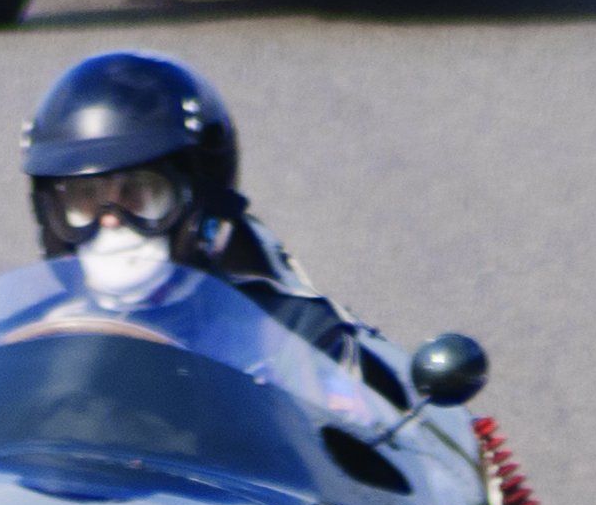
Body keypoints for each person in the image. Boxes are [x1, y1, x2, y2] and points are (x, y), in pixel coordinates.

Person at [22, 49, 357, 356]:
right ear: (51, 217)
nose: (111, 220)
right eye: (86, 199)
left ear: (198, 207)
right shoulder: (25, 341)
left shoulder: (287, 335)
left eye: (137, 193)